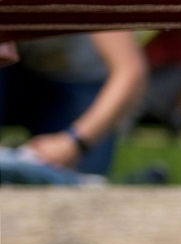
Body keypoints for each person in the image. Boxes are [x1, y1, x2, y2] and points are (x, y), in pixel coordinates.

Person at [0, 31, 148, 185]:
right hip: (15, 75)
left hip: (80, 82)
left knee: (76, 183)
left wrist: (73, 142)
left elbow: (129, 72)